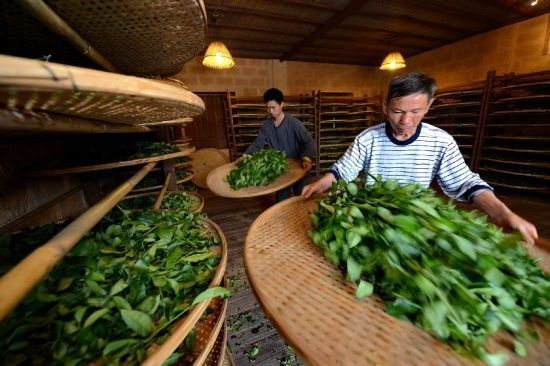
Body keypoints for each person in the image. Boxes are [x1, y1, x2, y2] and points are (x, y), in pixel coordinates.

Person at [302, 72, 538, 245]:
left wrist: (501, 212)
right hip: (374, 220)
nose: (406, 120)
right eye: (397, 111)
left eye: (416, 111)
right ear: (385, 106)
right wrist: (322, 183)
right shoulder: (368, 139)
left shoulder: (440, 141)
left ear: (429, 106)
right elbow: (344, 170)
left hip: (417, 222)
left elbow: (466, 182)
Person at [244, 87, 316, 202]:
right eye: (268, 108)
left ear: (281, 104)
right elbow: (257, 145)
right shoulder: (266, 126)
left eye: (273, 107)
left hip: (298, 166)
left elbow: (309, 142)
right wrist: (245, 156)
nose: (271, 111)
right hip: (281, 168)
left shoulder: (294, 123)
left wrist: (306, 158)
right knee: (281, 199)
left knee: (301, 196)